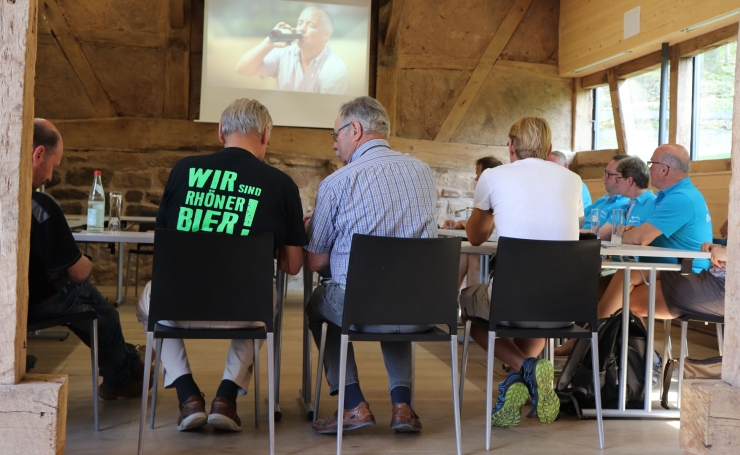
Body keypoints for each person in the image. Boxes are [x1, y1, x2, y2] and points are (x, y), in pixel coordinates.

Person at [135, 99, 307, 432]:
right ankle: (226, 398)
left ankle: (188, 395)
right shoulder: (281, 184)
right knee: (263, 295)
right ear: (266, 134)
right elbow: (293, 266)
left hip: (179, 307)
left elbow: (163, 241)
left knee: (150, 301)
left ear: (220, 132)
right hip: (246, 312)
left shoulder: (183, 170)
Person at [305, 96, 437, 435]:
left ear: (356, 129)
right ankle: (402, 406)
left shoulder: (337, 183)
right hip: (420, 312)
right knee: (397, 295)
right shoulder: (424, 174)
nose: (335, 145)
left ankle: (353, 405)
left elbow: (316, 261)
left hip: (361, 310)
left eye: (336, 135)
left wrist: (318, 229)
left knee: (321, 302)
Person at [460, 117, 583, 428]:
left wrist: (491, 210)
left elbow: (475, 236)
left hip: (512, 299)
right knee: (537, 313)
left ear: (510, 146)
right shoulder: (573, 181)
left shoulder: (493, 175)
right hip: (565, 305)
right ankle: (521, 381)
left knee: (470, 309)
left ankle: (525, 367)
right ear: (549, 148)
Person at [28, 119, 146, 400]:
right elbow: (78, 271)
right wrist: (89, 259)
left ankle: (131, 363)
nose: (50, 178)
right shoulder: (41, 207)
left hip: (11, 304)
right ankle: (123, 376)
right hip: (39, 301)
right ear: (39, 154)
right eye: (53, 167)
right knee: (100, 310)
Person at [596, 144, 713, 320]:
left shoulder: (681, 198)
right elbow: (641, 234)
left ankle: (584, 344)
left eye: (652, 163)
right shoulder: (669, 195)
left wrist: (624, 234)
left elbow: (638, 239)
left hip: (686, 276)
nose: (648, 168)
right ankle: (607, 345)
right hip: (665, 270)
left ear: (664, 170)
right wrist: (632, 233)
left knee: (622, 294)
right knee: (596, 288)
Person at [236, 5, 351, 95]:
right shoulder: (284, 52)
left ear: (326, 35)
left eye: (310, 25)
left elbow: (329, 112)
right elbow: (243, 70)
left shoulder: (336, 69)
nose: (301, 29)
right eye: (300, 23)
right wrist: (269, 42)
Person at [597, 155, 656, 240]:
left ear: (629, 180)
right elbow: (601, 235)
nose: (617, 183)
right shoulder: (624, 206)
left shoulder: (654, 204)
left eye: (618, 179)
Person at [442, 156, 502, 230]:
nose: (476, 179)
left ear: (488, 177)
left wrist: (463, 223)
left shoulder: (499, 200)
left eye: (478, 176)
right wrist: (461, 224)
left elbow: (481, 231)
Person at [580, 154, 630, 231]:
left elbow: (600, 235)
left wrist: (571, 234)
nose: (603, 178)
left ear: (622, 177)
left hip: (591, 241)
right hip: (580, 239)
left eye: (609, 174)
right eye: (605, 173)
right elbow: (580, 220)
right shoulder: (602, 200)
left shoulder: (624, 204)